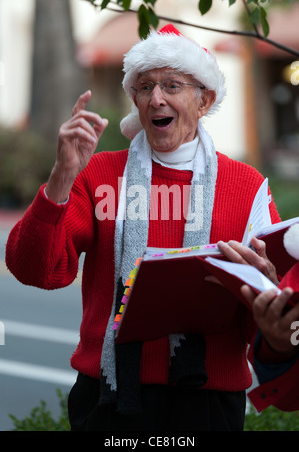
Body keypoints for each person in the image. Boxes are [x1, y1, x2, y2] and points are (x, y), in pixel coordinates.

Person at [5, 24, 299, 431]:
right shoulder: (99, 175)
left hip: (208, 403)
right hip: (106, 398)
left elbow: (275, 303)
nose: (156, 98)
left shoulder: (247, 186)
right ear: (136, 100)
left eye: (172, 85)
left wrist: (266, 285)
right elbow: (32, 269)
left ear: (204, 100)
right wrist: (61, 176)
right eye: (145, 87)